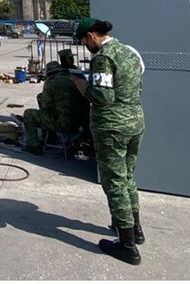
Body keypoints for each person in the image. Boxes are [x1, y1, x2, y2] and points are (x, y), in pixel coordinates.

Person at [71, 17, 146, 266]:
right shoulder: (129, 52)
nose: (85, 46)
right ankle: (135, 230)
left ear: (92, 36)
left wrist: (83, 86)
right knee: (127, 177)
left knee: (114, 182)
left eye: (84, 41)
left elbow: (102, 96)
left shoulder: (103, 57)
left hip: (112, 127)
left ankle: (127, 246)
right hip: (135, 122)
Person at [21, 49, 87, 156]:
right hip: (78, 123)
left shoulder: (52, 81)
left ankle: (33, 145)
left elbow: (46, 105)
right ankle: (51, 136)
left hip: (62, 124)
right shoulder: (79, 76)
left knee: (29, 114)